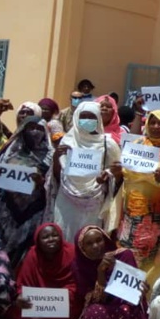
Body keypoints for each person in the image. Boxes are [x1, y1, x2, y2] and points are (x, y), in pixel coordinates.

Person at [114, 110, 160, 287]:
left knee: (155, 259)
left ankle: (147, 301)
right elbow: (126, 173)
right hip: (131, 215)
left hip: (158, 219)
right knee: (128, 256)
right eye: (152, 122)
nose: (155, 127)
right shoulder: (137, 144)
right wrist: (118, 172)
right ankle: (124, 302)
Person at [65, 225, 154, 319]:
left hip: (125, 307)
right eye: (89, 243)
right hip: (100, 306)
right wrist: (101, 272)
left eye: (99, 240)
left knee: (125, 311)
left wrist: (140, 291)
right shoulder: (79, 266)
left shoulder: (124, 255)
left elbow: (133, 297)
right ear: (82, 248)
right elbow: (93, 300)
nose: (95, 246)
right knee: (95, 312)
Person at [49, 102, 121, 241]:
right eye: (83, 116)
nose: (87, 120)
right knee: (64, 236)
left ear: (98, 119)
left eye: (91, 117)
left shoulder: (108, 143)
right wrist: (56, 157)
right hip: (66, 199)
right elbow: (58, 175)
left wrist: (108, 175)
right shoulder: (68, 141)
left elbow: (118, 171)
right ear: (76, 118)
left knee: (88, 239)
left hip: (94, 201)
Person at [0, 117, 52, 268]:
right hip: (7, 210)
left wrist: (41, 182)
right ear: (23, 130)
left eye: (39, 129)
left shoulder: (51, 155)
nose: (35, 132)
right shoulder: (9, 151)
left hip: (35, 210)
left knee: (26, 251)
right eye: (31, 128)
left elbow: (54, 185)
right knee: (4, 247)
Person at [14, 222, 78, 319]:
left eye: (55, 235)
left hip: (66, 301)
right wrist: (22, 296)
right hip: (41, 303)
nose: (51, 240)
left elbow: (78, 282)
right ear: (38, 241)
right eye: (45, 237)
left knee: (72, 303)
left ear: (61, 236)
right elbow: (23, 283)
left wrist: (62, 297)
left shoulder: (72, 253)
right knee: (16, 307)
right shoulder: (33, 255)